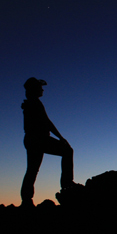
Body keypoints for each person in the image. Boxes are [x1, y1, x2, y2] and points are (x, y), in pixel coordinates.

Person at [20, 77, 74, 207]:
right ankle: (67, 185)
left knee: (32, 170)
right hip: (38, 139)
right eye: (40, 87)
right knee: (67, 151)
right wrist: (61, 138)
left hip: (33, 139)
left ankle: (26, 199)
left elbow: (45, 122)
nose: (42, 89)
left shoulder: (31, 103)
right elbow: (47, 122)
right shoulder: (35, 103)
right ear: (35, 89)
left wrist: (60, 137)